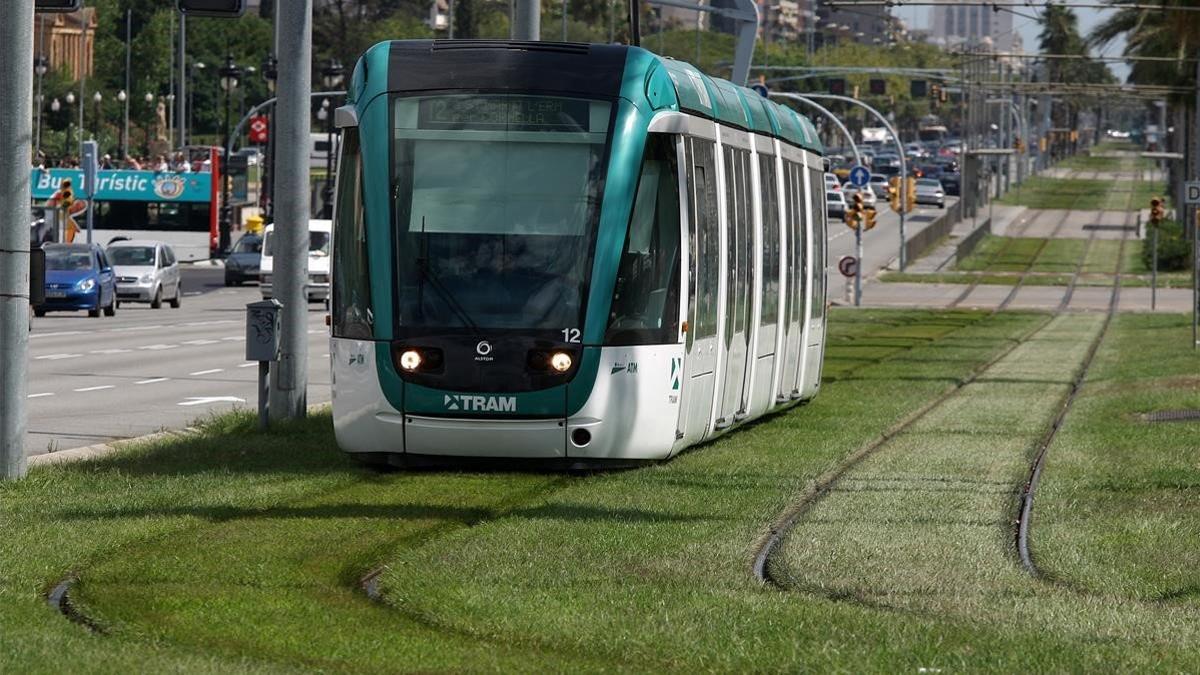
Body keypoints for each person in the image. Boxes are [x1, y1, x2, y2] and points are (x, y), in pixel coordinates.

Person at [46, 178, 86, 243]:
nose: (76, 208)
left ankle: (67, 244)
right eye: (77, 205)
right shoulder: (62, 196)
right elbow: (51, 205)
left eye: (79, 208)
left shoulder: (67, 200)